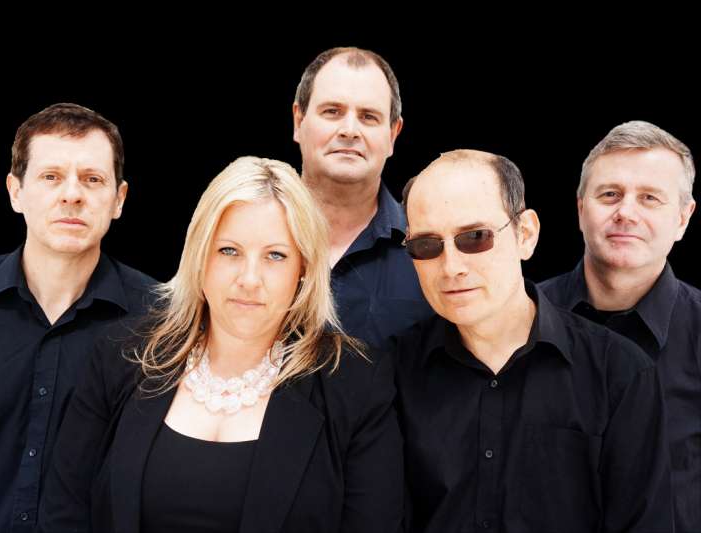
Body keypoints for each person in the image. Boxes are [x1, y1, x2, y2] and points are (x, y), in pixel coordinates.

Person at [39, 156, 403, 533]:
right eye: (229, 251)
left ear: (303, 270)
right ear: (200, 257)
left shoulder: (355, 384)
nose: (249, 279)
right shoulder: (120, 355)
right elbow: (64, 513)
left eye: (275, 256)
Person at [0, 103, 157, 532]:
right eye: (51, 176)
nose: (72, 194)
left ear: (119, 199)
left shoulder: (161, 321)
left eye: (92, 179)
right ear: (15, 191)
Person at [394, 149, 672, 532]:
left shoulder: (621, 373)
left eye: (475, 237)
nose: (452, 267)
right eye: (427, 245)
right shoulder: (391, 373)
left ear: (525, 235)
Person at [540, 120, 699, 532]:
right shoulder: (522, 316)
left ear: (683, 219)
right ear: (580, 210)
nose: (626, 213)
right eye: (610, 194)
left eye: (650, 198)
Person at [292, 47, 432, 349]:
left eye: (368, 117)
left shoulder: (429, 251)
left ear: (393, 134)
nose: (349, 130)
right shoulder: (242, 236)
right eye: (332, 111)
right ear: (298, 121)